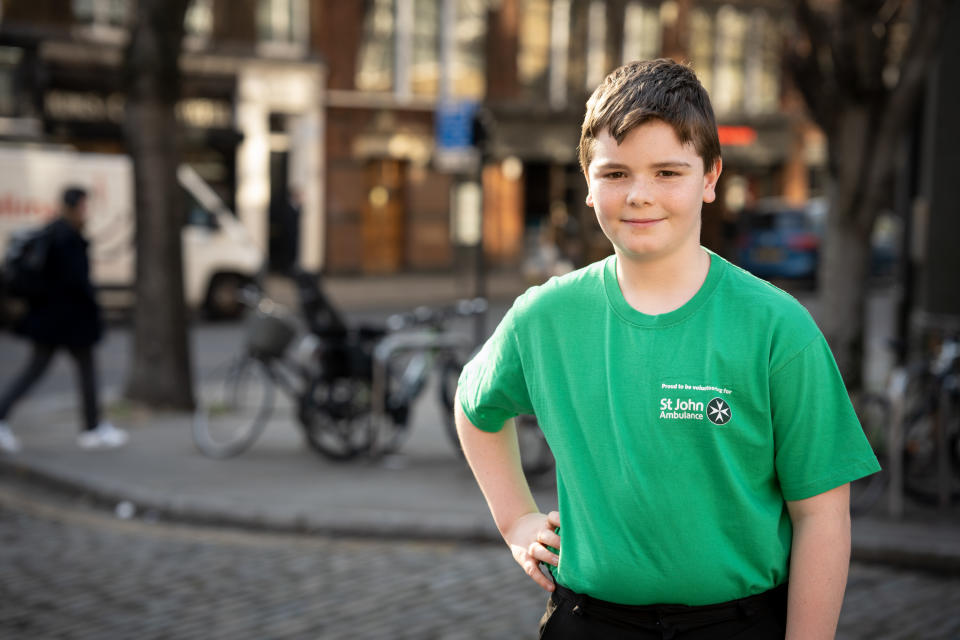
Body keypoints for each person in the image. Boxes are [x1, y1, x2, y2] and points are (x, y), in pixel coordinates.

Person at [454, 59, 879, 639]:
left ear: (710, 178)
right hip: (589, 622)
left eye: (667, 173)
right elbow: (474, 406)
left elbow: (822, 517)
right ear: (587, 182)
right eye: (615, 173)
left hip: (737, 624)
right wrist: (516, 520)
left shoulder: (778, 327)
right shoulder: (544, 317)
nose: (639, 195)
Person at [0, 186, 128, 453]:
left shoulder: (57, 233)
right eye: (83, 206)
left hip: (56, 322)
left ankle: (92, 426)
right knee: (51, 371)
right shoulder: (65, 238)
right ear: (73, 207)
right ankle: (92, 428)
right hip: (65, 322)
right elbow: (75, 283)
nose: (86, 212)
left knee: (52, 371)